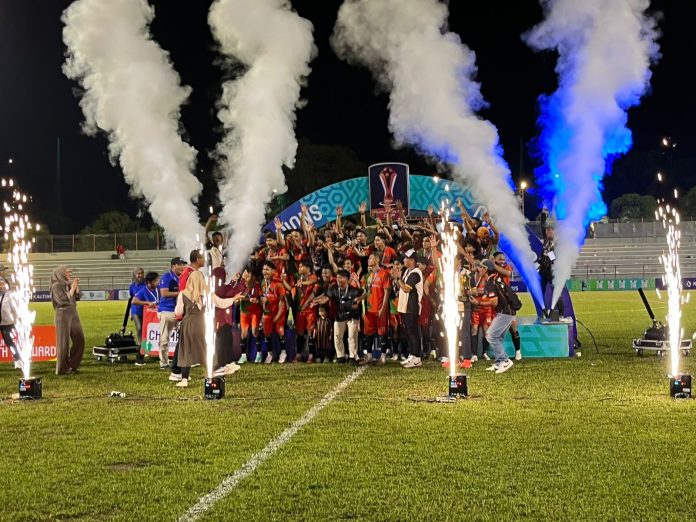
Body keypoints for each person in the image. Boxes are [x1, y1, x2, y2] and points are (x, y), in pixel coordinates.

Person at [172, 271, 237, 388]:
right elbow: (221, 303)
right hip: (203, 324)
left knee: (186, 350)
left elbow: (178, 312)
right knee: (206, 349)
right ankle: (211, 373)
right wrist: (234, 298)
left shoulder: (183, 294)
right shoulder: (208, 294)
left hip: (188, 324)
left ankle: (184, 379)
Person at [472, 259, 515, 374]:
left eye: (481, 267)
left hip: (505, 312)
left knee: (491, 336)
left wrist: (478, 303)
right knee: (497, 337)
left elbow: (494, 302)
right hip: (508, 311)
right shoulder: (495, 278)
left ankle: (505, 360)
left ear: (486, 269)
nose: (479, 269)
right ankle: (499, 362)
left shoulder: (490, 282)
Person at [169, 251, 206, 377]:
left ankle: (178, 370)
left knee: (186, 342)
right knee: (184, 342)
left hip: (194, 313)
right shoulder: (188, 273)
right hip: (189, 313)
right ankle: (176, 370)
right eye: (203, 258)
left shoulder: (192, 273)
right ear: (197, 259)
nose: (205, 260)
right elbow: (183, 294)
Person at [317, 269, 363, 362]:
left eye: (340, 278)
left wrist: (357, 302)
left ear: (346, 279)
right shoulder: (334, 288)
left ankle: (352, 356)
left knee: (352, 336)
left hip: (352, 315)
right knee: (337, 336)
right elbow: (326, 298)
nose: (337, 280)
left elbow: (362, 294)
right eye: (337, 278)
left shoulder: (353, 290)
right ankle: (340, 356)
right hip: (339, 315)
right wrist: (317, 302)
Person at [50, 265, 85, 375]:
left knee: (80, 339)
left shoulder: (68, 284)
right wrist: (72, 288)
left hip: (73, 312)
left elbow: (77, 297)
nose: (70, 274)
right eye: (68, 272)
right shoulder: (56, 286)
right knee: (63, 343)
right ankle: (62, 369)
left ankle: (72, 365)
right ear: (61, 273)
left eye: (70, 272)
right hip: (62, 314)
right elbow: (62, 301)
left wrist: (76, 288)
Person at [391, 250, 423, 369]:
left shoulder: (415, 273)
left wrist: (398, 278)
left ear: (412, 261)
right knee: (408, 332)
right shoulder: (408, 271)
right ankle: (412, 355)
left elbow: (406, 289)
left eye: (406, 258)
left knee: (413, 332)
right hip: (405, 307)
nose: (403, 260)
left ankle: (417, 358)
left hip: (412, 307)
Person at [359, 253, 391, 365]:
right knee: (368, 333)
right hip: (369, 309)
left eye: (370, 258)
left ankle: (383, 357)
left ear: (377, 260)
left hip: (379, 309)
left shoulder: (384, 273)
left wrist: (383, 308)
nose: (368, 260)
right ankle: (369, 356)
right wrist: (359, 300)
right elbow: (366, 292)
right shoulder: (368, 275)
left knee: (382, 333)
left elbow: (387, 292)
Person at [493, 251, 522, 361]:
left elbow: (507, 273)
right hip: (496, 301)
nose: (502, 261)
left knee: (513, 327)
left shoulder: (507, 267)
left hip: (508, 301)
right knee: (497, 329)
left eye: (503, 259)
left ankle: (518, 351)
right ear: (495, 259)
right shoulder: (491, 270)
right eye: (500, 259)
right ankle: (499, 354)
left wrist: (492, 264)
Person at [158, 257, 185, 372]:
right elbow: (164, 293)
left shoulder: (182, 277)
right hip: (167, 311)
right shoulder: (166, 277)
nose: (182, 267)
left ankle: (183, 361)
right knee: (164, 339)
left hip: (179, 311)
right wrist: (180, 293)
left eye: (183, 264)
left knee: (184, 337)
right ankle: (164, 362)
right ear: (173, 266)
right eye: (180, 264)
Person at [260, 261, 288, 364]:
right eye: (264, 269)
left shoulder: (278, 284)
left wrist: (278, 315)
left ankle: (283, 352)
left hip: (278, 312)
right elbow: (262, 297)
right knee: (266, 332)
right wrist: (262, 301)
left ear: (273, 271)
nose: (265, 271)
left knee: (280, 331)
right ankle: (270, 354)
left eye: (267, 269)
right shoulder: (263, 283)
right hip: (267, 312)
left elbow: (282, 302)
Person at [132, 272, 159, 366]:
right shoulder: (144, 290)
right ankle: (140, 356)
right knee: (141, 331)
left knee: (152, 332)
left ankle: (150, 351)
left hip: (151, 314)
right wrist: (147, 303)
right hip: (138, 312)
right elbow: (134, 300)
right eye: (155, 281)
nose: (157, 282)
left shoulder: (158, 289)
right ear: (149, 282)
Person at [293, 259, 318, 362]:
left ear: (308, 268)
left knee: (310, 331)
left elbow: (312, 285)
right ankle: (298, 355)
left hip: (310, 309)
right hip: (300, 310)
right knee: (299, 332)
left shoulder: (313, 277)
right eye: (299, 266)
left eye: (301, 266)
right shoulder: (298, 278)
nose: (299, 268)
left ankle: (311, 355)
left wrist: (306, 303)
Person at [0, 279, 21, 371]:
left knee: (9, 342)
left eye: (2, 284)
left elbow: (15, 309)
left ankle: (17, 359)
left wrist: (18, 320)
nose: (1, 286)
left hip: (7, 323)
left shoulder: (10, 295)